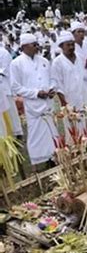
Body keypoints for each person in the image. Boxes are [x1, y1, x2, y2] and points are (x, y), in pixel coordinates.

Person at [10, 34, 58, 167]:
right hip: (33, 106)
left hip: (47, 103)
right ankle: (40, 160)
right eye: (33, 44)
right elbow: (15, 86)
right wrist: (36, 93)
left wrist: (52, 89)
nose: (37, 47)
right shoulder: (16, 64)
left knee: (51, 132)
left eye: (37, 44)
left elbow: (53, 79)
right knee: (36, 135)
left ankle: (54, 157)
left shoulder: (44, 61)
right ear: (24, 46)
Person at [51, 32, 87, 141]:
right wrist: (64, 103)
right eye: (68, 45)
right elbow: (57, 84)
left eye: (73, 44)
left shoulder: (81, 58)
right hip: (70, 100)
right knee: (73, 130)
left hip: (85, 96)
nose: (71, 47)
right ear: (61, 46)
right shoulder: (57, 63)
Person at [0, 44, 22, 137]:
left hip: (5, 86)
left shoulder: (3, 53)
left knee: (11, 111)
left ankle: (17, 132)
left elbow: (4, 70)